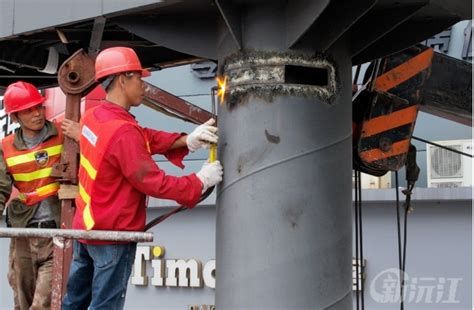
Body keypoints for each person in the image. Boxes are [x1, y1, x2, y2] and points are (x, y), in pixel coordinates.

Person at [62, 46, 223, 309]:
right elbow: (152, 180)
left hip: (87, 229)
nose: (143, 85)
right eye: (138, 77)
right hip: (112, 236)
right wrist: (200, 180)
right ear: (123, 79)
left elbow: (141, 137)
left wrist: (187, 140)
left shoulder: (95, 117)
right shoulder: (122, 132)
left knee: (74, 303)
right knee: (105, 306)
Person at [0, 81, 79, 309]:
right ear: (15, 117)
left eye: (38, 107)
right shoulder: (6, 147)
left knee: (42, 304)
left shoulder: (64, 134)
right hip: (23, 234)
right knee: (22, 301)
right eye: (28, 110)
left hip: (56, 231)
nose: (36, 114)